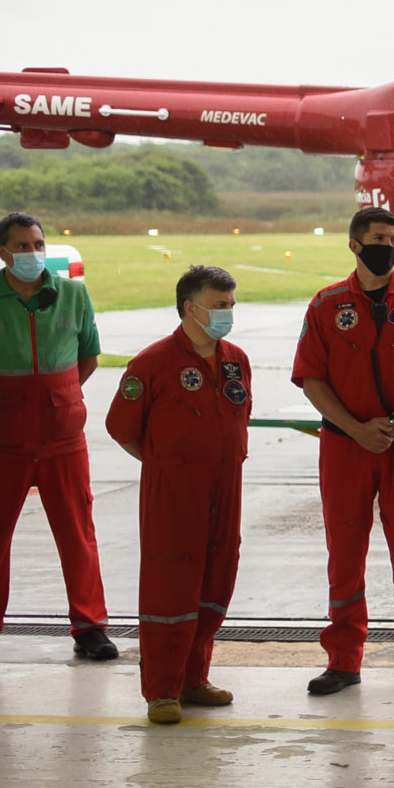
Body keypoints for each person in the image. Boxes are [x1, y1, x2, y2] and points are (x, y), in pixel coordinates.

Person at [292, 205, 394, 698]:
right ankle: (343, 660)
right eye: (379, 238)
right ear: (355, 245)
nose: (389, 246)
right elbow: (311, 378)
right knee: (345, 553)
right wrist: (356, 429)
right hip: (345, 447)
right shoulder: (325, 304)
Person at [0, 211, 113, 672]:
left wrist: (59, 399)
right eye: (21, 246)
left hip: (63, 438)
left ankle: (90, 627)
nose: (32, 253)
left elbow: (89, 357)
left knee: (78, 533)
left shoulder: (74, 294)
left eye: (37, 243)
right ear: (2, 252)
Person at [106, 266, 250, 726]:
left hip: (226, 484)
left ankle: (193, 678)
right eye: (220, 305)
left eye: (231, 305)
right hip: (174, 487)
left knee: (216, 579)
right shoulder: (153, 363)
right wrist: (166, 462)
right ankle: (161, 690)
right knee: (171, 586)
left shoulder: (235, 360)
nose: (229, 313)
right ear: (191, 308)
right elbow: (121, 428)